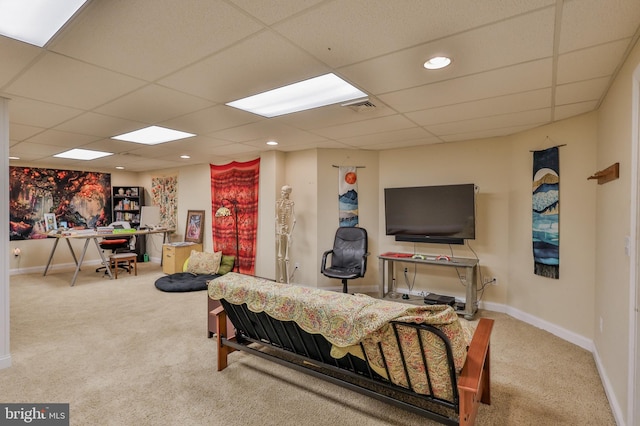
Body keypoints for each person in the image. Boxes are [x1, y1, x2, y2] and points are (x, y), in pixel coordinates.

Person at [276, 185, 296, 283]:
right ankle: (281, 280)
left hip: (287, 231)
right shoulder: (278, 203)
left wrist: (290, 234)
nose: (282, 194)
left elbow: (294, 220)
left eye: (284, 193)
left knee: (286, 257)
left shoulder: (291, 204)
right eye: (282, 192)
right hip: (280, 230)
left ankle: (288, 281)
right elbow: (276, 217)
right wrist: (277, 229)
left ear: (288, 194)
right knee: (280, 256)